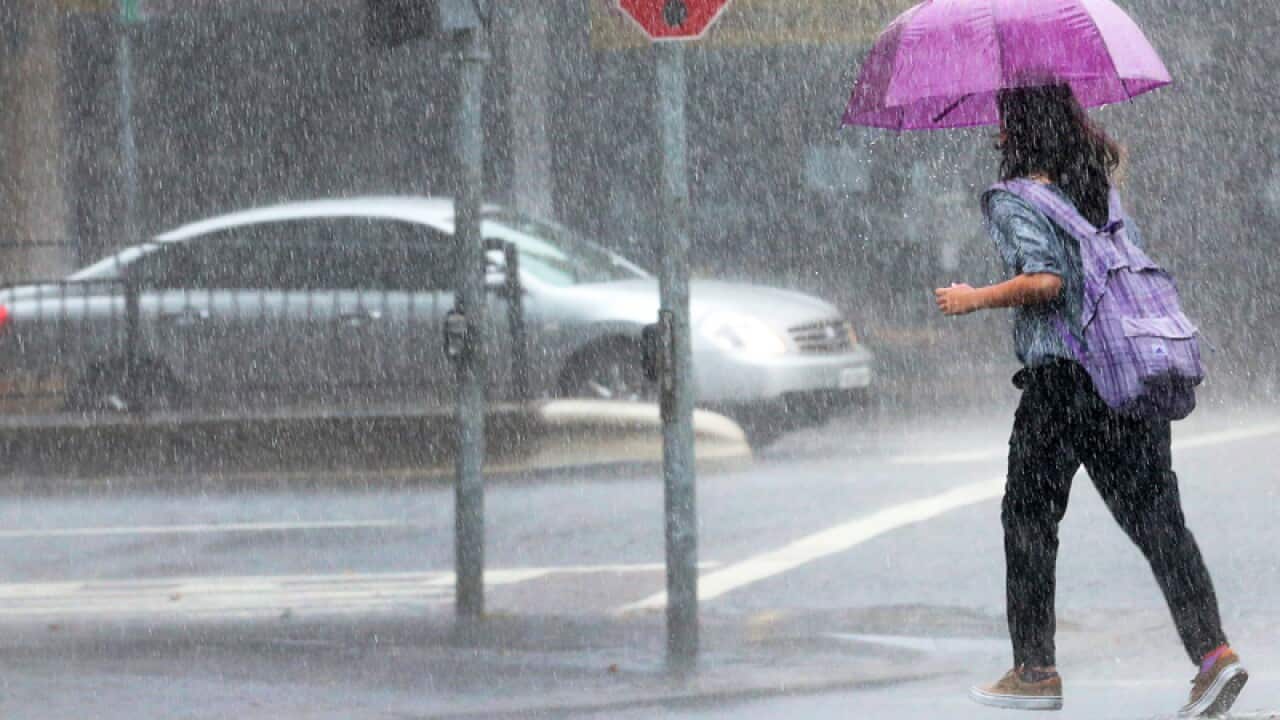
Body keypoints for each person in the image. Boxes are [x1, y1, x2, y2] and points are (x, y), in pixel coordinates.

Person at [933, 83, 1247, 717]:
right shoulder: (1100, 192)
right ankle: (1214, 657)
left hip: (1065, 384)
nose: (995, 135)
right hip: (1133, 376)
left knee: (1028, 517)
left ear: (1022, 132)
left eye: (1003, 123)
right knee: (1159, 522)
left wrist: (975, 297)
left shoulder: (1013, 197)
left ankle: (1034, 670)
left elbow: (1046, 281)